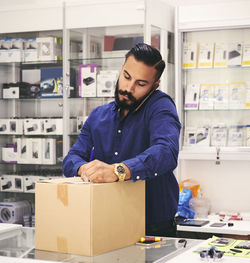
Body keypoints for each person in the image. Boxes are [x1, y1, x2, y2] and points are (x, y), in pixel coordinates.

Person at [62, 43, 181, 237]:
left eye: (141, 84)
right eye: (126, 76)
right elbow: (71, 158)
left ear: (154, 85)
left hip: (152, 226)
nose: (128, 88)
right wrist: (84, 169)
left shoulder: (161, 107)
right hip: (107, 220)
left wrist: (119, 171)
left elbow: (166, 152)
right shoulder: (98, 115)